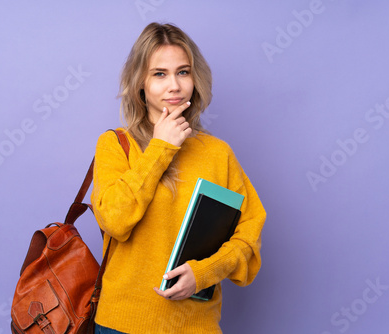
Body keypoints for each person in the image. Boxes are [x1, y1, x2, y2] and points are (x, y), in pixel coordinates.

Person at [90, 22, 266, 334]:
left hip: (195, 326)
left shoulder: (217, 153)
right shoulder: (116, 145)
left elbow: (248, 239)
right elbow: (115, 221)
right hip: (122, 325)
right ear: (140, 83)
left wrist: (204, 272)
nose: (174, 85)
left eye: (183, 72)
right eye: (160, 74)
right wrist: (162, 148)